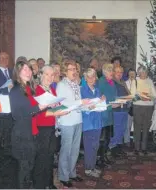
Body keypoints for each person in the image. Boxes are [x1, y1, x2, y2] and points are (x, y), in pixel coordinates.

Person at [9, 60, 47, 188]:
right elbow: (17, 114)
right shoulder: (15, 90)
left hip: (32, 131)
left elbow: (34, 109)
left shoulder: (29, 89)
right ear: (18, 73)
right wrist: (39, 107)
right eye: (24, 69)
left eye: (29, 69)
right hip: (22, 134)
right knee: (24, 167)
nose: (28, 72)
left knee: (30, 165)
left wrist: (47, 105)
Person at [30, 66, 68, 189]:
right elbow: (38, 112)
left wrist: (64, 109)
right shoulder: (37, 90)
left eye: (52, 75)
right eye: (47, 74)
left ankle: (49, 182)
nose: (50, 77)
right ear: (41, 75)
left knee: (50, 156)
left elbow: (56, 106)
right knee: (42, 157)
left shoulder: (52, 89)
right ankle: (39, 185)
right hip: (41, 127)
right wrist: (57, 112)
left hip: (52, 126)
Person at [56, 59, 90, 188]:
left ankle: (72, 173)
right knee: (66, 149)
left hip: (78, 119)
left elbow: (78, 102)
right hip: (67, 121)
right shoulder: (61, 85)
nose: (74, 71)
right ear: (65, 71)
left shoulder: (76, 84)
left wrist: (87, 106)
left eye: (75, 69)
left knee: (75, 149)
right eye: (71, 69)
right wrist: (80, 103)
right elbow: (63, 105)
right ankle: (63, 176)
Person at [81, 68, 104, 178]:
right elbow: (81, 107)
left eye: (93, 76)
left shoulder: (98, 90)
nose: (91, 79)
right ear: (85, 78)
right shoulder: (82, 90)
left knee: (96, 145)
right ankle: (88, 169)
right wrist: (91, 106)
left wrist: (103, 100)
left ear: (96, 78)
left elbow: (102, 105)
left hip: (98, 121)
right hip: (88, 123)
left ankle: (93, 166)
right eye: (89, 77)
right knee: (89, 146)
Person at [97, 63, 119, 167]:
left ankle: (104, 156)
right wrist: (111, 105)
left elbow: (114, 96)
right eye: (111, 71)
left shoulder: (112, 82)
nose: (113, 73)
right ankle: (100, 159)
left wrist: (119, 101)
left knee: (108, 137)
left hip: (110, 114)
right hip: (103, 114)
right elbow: (99, 99)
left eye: (113, 71)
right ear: (105, 72)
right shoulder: (101, 82)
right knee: (102, 138)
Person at [0, 52, 13, 157]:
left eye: (7, 58)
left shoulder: (12, 71)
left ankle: (8, 151)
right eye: (2, 58)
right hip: (1, 106)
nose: (5, 60)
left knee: (10, 129)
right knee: (0, 131)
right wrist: (6, 87)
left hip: (12, 105)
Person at [133, 66, 156, 155]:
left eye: (145, 72)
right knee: (137, 128)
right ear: (139, 73)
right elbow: (132, 96)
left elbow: (154, 94)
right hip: (138, 106)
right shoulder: (135, 81)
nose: (144, 74)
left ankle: (144, 148)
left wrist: (150, 97)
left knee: (146, 127)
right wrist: (141, 98)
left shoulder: (150, 81)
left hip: (148, 107)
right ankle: (136, 148)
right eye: (142, 72)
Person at [109, 66, 130, 158]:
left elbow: (128, 94)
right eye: (117, 72)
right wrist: (124, 99)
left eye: (121, 72)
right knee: (116, 130)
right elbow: (111, 96)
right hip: (116, 110)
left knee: (122, 129)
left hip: (124, 109)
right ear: (113, 72)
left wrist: (130, 97)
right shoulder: (111, 82)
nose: (119, 74)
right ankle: (113, 148)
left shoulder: (123, 82)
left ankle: (118, 148)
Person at [124, 68, 137, 146]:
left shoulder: (138, 83)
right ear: (128, 74)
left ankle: (136, 140)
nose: (132, 75)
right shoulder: (125, 83)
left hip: (137, 105)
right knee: (127, 125)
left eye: (133, 73)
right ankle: (126, 140)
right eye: (130, 73)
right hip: (128, 105)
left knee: (137, 124)